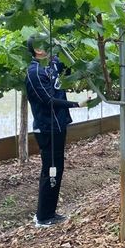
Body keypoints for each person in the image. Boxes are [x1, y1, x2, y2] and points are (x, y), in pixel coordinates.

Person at [25, 34, 89, 228]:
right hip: (47, 128)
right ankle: (43, 217)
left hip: (59, 125)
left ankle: (49, 212)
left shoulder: (52, 63)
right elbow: (48, 101)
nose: (50, 46)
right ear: (38, 50)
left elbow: (69, 65)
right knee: (51, 169)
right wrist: (77, 103)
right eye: (46, 44)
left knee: (57, 168)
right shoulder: (34, 73)